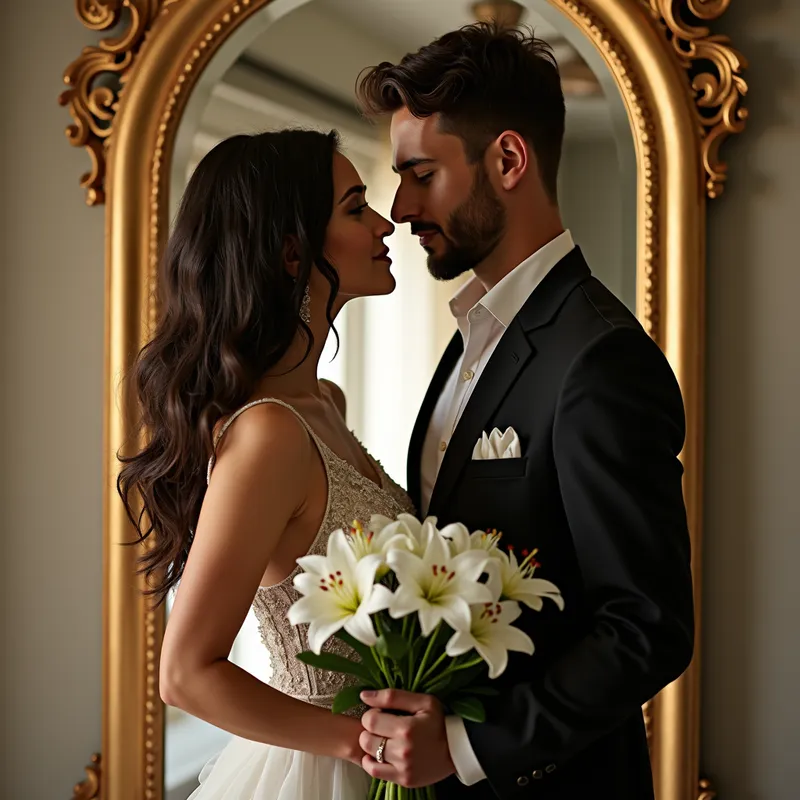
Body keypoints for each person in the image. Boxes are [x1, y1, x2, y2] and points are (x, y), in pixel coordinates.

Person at [354, 23, 695, 799]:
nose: (400, 206)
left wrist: (469, 749)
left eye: (420, 174)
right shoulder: (472, 334)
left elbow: (647, 626)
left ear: (507, 159)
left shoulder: (599, 357)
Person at [118, 129, 414, 799]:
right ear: (290, 251)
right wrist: (363, 743)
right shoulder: (269, 435)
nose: (383, 222)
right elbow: (187, 672)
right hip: (324, 769)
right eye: (355, 206)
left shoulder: (324, 404)